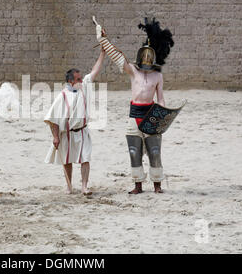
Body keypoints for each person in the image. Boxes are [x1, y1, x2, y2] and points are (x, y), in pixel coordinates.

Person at [95, 16, 174, 194]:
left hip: (151, 115)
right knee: (134, 151)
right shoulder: (132, 70)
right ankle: (138, 185)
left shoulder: (157, 76)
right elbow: (117, 56)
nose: (146, 59)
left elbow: (161, 98)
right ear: (140, 56)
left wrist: (163, 116)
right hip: (134, 115)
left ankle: (157, 185)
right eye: (143, 56)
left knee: (154, 151)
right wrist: (103, 40)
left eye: (149, 56)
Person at [44, 48, 106, 195]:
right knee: (67, 160)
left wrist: (102, 53)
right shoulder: (62, 96)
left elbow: (95, 71)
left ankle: (84, 186)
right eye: (78, 79)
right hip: (67, 133)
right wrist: (55, 137)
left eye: (81, 78)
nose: (81, 80)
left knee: (85, 158)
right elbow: (53, 119)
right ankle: (69, 186)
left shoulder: (84, 87)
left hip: (83, 131)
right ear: (71, 81)